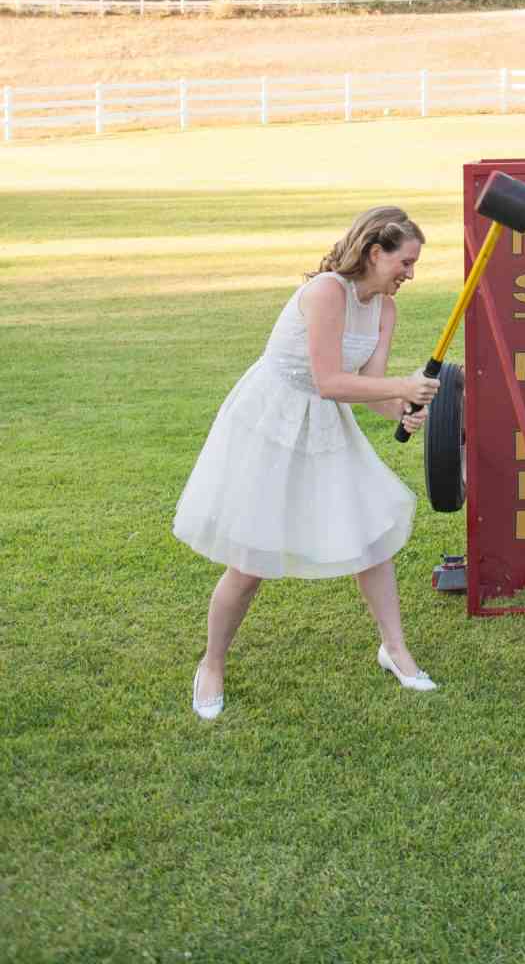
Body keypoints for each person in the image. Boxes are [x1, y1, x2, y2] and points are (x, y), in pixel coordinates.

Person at [174, 206, 442, 719]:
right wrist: (402, 386)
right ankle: (211, 665)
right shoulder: (325, 293)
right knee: (251, 561)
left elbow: (367, 388)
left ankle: (396, 651)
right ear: (374, 252)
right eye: (405, 262)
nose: (410, 273)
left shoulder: (385, 309)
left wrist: (402, 410)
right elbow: (328, 381)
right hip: (270, 423)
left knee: (371, 537)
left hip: (323, 424)